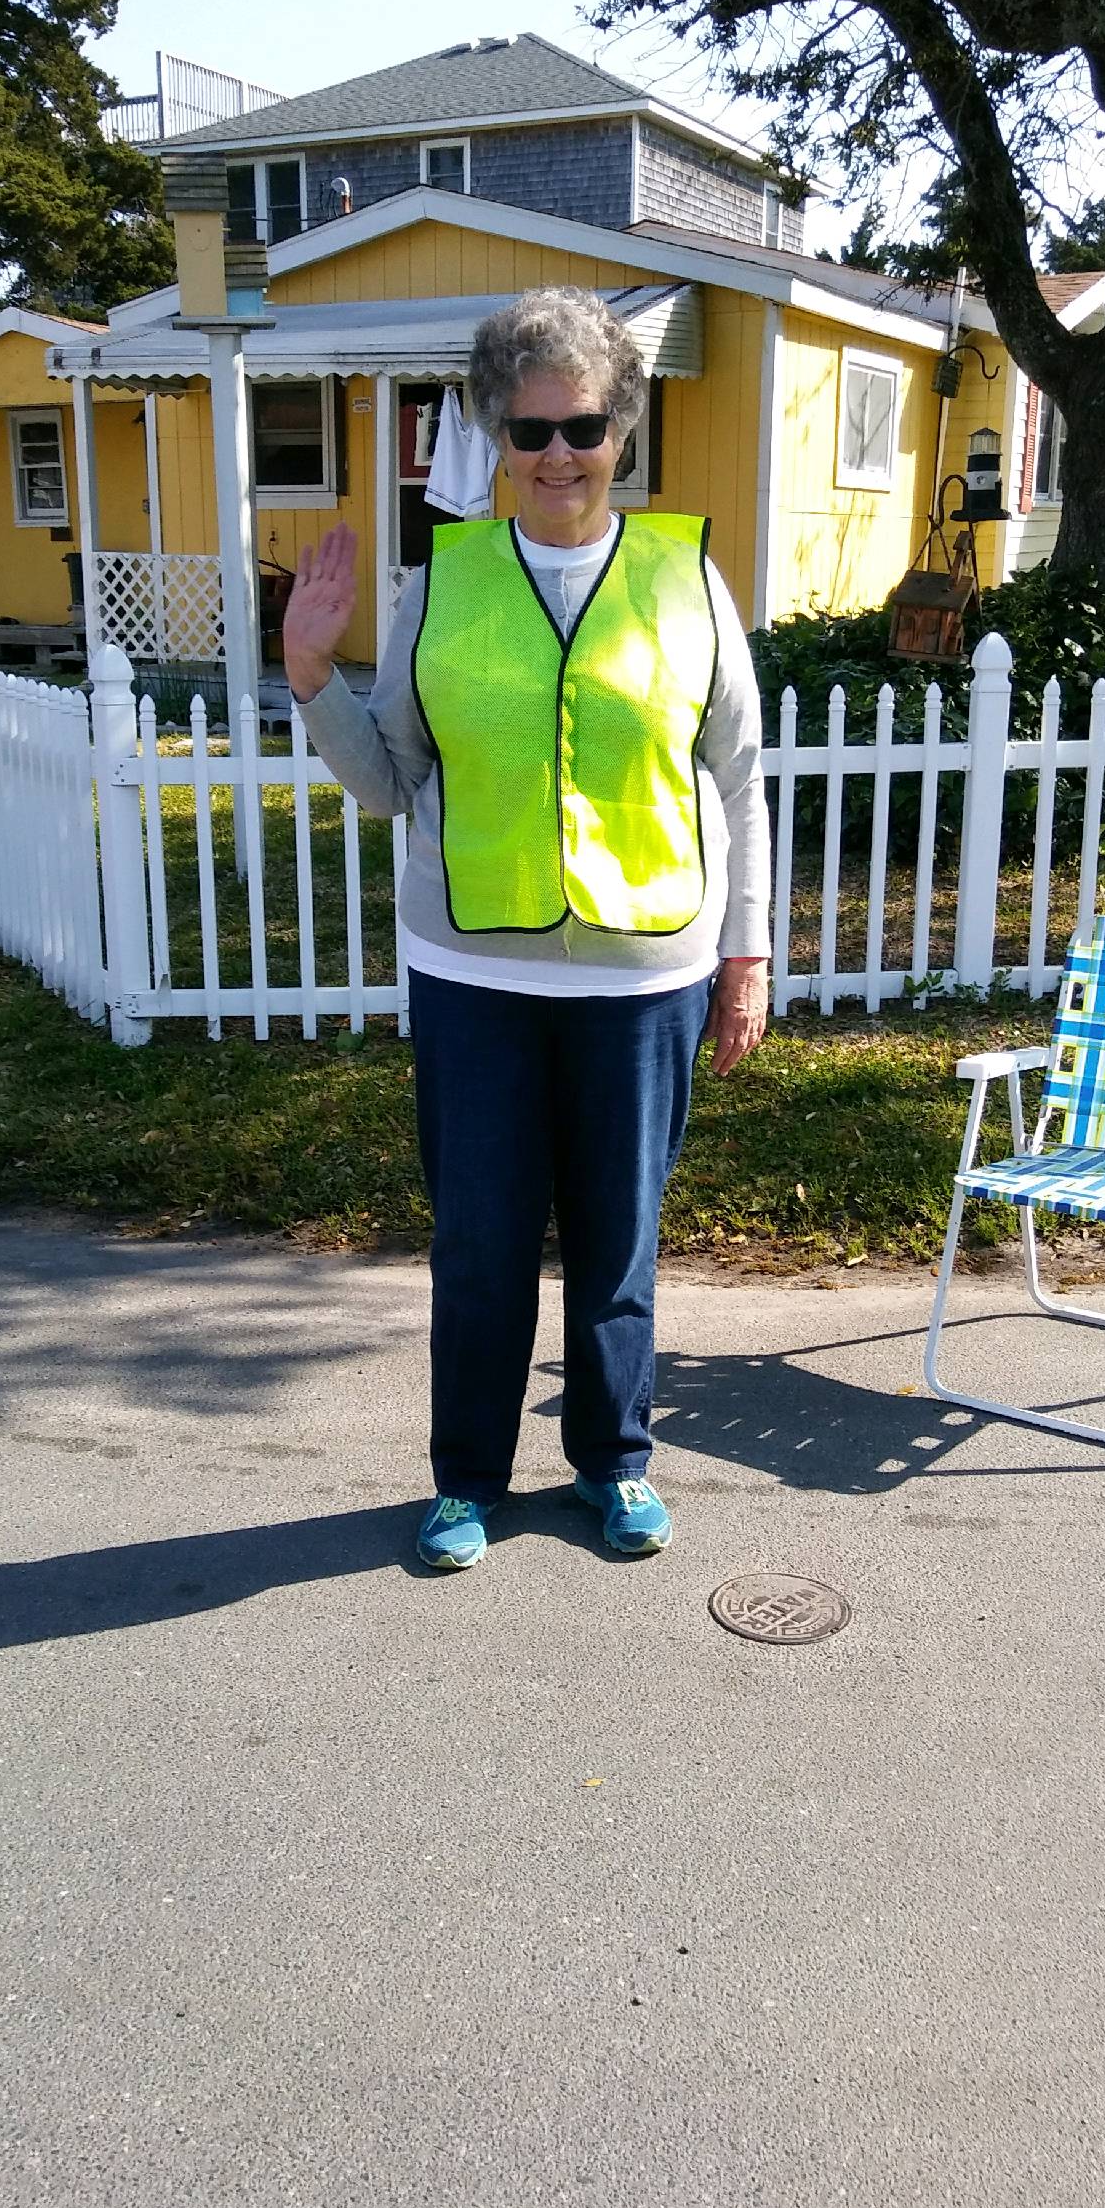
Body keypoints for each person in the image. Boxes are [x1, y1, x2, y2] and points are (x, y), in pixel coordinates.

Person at [283, 286, 770, 1571]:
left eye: (584, 426)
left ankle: (615, 1464)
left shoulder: (687, 579)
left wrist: (748, 956)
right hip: (473, 976)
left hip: (644, 976)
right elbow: (393, 781)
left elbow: (737, 783)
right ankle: (466, 1481)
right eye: (530, 429)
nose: (559, 454)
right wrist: (312, 678)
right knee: (481, 1248)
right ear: (496, 435)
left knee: (619, 1244)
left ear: (623, 431)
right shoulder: (442, 583)